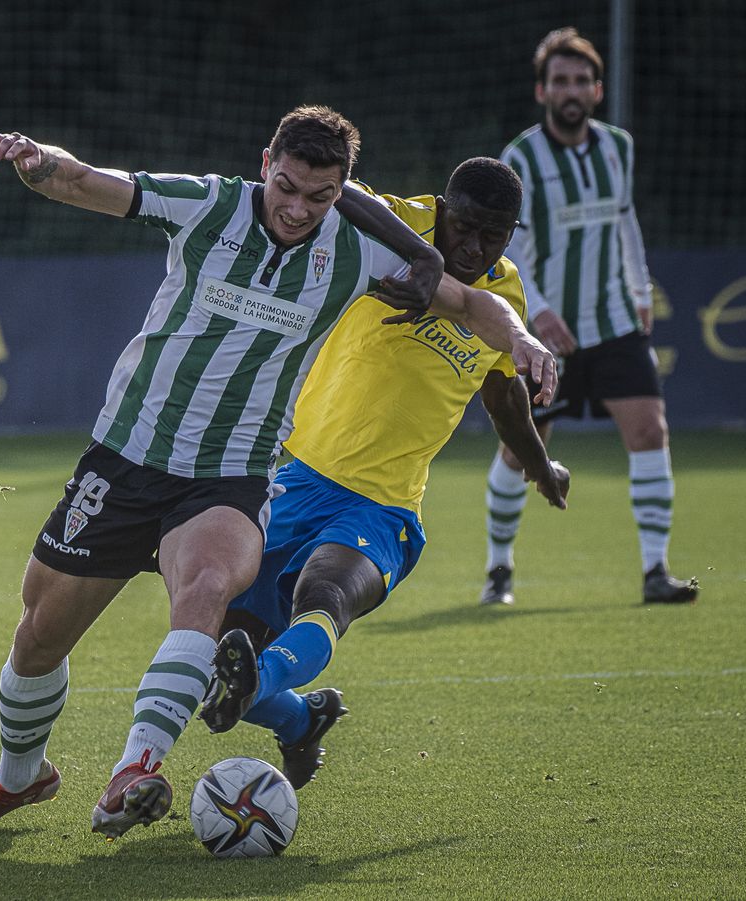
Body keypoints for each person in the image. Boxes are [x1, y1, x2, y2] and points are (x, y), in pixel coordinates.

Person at [0, 106, 559, 839]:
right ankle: (20, 776)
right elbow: (90, 182)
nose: (298, 209)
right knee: (39, 635)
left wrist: (523, 341)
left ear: (342, 192)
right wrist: (37, 158)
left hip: (233, 473)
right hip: (128, 454)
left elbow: (475, 304)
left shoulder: (358, 251)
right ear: (266, 164)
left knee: (207, 589)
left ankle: (137, 768)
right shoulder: (209, 204)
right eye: (286, 187)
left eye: (319, 197)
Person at [200, 158, 570, 785]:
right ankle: (299, 720)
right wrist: (418, 256)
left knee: (324, 594)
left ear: (512, 234)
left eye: (494, 235)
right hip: (292, 480)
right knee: (217, 666)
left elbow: (502, 394)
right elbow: (335, 195)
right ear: (442, 208)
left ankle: (268, 680)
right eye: (463, 228)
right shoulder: (400, 225)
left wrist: (539, 465)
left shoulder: (504, 295)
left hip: (383, 505)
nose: (473, 247)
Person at [482, 27, 698, 606]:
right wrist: (541, 312)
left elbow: (625, 221)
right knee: (520, 447)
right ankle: (498, 569)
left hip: (613, 323)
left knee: (651, 429)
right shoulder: (520, 157)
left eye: (581, 79)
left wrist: (639, 286)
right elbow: (514, 247)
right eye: (560, 80)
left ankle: (656, 572)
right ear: (542, 90)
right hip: (545, 332)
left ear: (597, 90)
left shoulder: (617, 148)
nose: (571, 89)